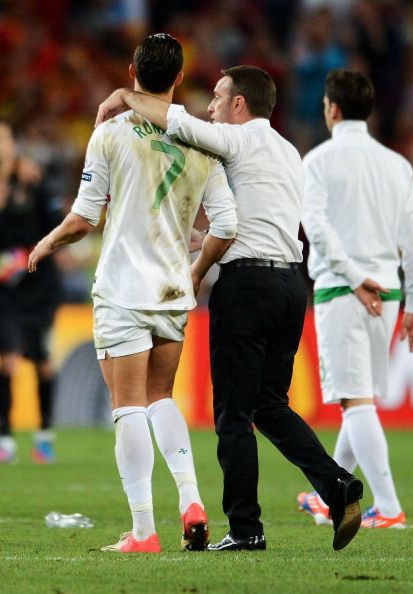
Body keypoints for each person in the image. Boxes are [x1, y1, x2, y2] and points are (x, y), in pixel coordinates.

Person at [95, 65, 364, 552]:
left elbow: (173, 119)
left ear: (240, 105)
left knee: (233, 417)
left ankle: (245, 529)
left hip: (247, 287)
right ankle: (338, 484)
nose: (211, 107)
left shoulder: (235, 140)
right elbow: (249, 220)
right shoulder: (287, 150)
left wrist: (122, 95)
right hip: (288, 285)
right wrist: (194, 241)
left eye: (218, 98)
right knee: (271, 406)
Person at [28, 33, 238, 554]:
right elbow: (223, 223)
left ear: (131, 72)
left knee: (127, 407)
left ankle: (144, 530)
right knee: (160, 397)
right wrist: (197, 266)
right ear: (180, 78)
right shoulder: (202, 138)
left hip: (123, 288)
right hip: (172, 286)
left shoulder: (111, 133)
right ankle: (191, 498)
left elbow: (82, 219)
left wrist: (47, 241)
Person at [297, 69, 413, 529]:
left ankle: (389, 508)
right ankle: (326, 495)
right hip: (389, 294)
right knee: (362, 398)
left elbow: (315, 227)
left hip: (343, 291)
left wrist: (353, 278)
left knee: (355, 402)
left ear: (331, 108)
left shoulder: (317, 161)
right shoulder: (398, 164)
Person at [0, 119, 62, 464]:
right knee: (6, 362)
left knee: (42, 363)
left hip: (38, 286)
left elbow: (56, 225)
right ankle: (5, 437)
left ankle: (44, 435)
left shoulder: (31, 180)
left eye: (3, 139)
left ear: (13, 144)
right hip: (5, 291)